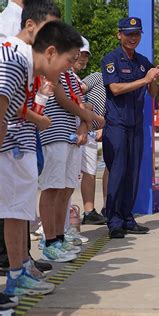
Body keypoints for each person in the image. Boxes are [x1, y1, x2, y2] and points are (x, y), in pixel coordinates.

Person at [0, 20, 83, 297]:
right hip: (9, 150)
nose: (69, 67)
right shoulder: (14, 61)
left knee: (16, 213)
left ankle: (18, 273)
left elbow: (19, 111)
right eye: (68, 60)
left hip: (16, 149)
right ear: (50, 52)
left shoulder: (29, 71)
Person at [38, 28, 103, 261]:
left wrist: (85, 123)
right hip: (54, 133)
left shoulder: (70, 76)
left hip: (72, 137)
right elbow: (62, 100)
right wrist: (88, 118)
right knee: (52, 188)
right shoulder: (53, 71)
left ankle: (59, 237)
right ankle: (50, 241)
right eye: (75, 54)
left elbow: (83, 106)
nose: (78, 59)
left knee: (64, 190)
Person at [101, 17, 159, 238]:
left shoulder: (142, 61)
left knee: (133, 173)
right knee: (117, 173)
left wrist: (153, 78)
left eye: (136, 34)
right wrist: (145, 79)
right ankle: (114, 221)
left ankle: (127, 218)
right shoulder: (111, 59)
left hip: (136, 125)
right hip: (117, 125)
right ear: (119, 35)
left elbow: (153, 93)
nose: (132, 38)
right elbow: (116, 88)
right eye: (128, 34)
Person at [80, 71, 108, 226]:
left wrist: (105, 126)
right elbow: (78, 91)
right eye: (81, 54)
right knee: (66, 180)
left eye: (86, 55)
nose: (83, 58)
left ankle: (95, 211)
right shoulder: (99, 76)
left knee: (91, 171)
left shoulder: (120, 84)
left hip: (94, 131)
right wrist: (88, 111)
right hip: (79, 127)